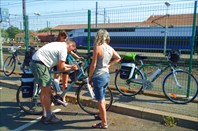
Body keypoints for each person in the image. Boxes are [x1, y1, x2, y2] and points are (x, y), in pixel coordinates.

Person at [30, 40, 78, 124]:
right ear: (70, 46)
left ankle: (45, 114)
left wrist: (70, 66)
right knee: (47, 92)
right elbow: (61, 68)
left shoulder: (60, 45)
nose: (71, 52)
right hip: (40, 65)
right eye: (71, 50)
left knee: (44, 91)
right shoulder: (63, 50)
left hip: (37, 63)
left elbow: (60, 64)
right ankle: (48, 116)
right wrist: (72, 68)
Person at [88, 29, 121, 129]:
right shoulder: (110, 48)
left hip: (98, 76)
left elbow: (93, 65)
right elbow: (118, 57)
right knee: (103, 97)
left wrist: (89, 77)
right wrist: (109, 65)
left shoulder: (97, 47)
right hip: (106, 75)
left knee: (100, 100)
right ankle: (100, 115)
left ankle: (104, 123)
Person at [53, 32, 82, 102]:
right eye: (64, 37)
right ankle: (54, 97)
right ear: (60, 36)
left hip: (65, 63)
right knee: (55, 81)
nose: (66, 39)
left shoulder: (66, 44)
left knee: (65, 82)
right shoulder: (56, 44)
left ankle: (63, 97)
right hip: (57, 63)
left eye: (66, 37)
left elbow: (71, 52)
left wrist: (78, 57)